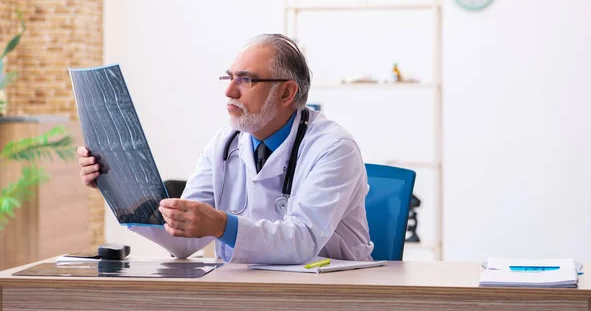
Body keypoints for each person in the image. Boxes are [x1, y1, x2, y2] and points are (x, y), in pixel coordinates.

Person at [78, 34, 373, 264]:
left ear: (286, 92)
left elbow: (302, 242)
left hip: (329, 295)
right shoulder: (224, 143)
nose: (230, 90)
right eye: (229, 77)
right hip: (244, 292)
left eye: (246, 79)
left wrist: (221, 224)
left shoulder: (334, 148)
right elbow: (184, 242)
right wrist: (118, 189)